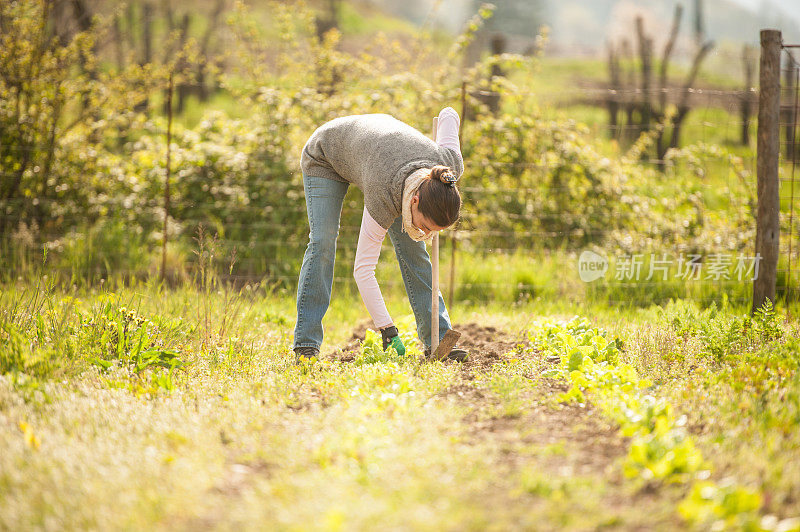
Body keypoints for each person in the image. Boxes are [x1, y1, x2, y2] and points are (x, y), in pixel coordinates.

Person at [293, 106, 468, 363]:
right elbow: (363, 269)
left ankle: (439, 342)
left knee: (415, 251)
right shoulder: (383, 193)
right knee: (323, 241)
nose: (428, 235)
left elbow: (449, 113)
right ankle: (306, 345)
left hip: (382, 154)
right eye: (427, 227)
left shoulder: (449, 167)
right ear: (415, 201)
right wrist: (387, 329)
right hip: (327, 153)